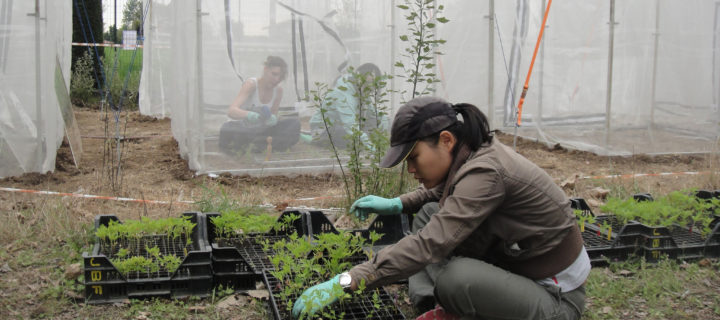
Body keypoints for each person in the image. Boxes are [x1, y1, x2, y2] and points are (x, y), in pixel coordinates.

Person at [292, 96, 589, 320]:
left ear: (445, 140)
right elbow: (441, 192)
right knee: (428, 213)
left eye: (413, 157)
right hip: (520, 268)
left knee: (457, 278)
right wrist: (398, 204)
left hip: (555, 297)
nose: (410, 169)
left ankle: (449, 303)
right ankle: (430, 304)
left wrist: (346, 280)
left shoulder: (487, 172)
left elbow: (431, 243)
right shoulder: (472, 153)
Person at [219, 56, 300, 155]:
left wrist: (273, 119)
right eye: (274, 74)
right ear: (265, 70)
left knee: (294, 124)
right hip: (243, 127)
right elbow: (231, 111)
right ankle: (266, 146)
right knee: (236, 131)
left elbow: (274, 116)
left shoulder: (278, 91)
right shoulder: (251, 84)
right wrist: (249, 115)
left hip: (261, 130)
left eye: (280, 77)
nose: (277, 79)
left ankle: (257, 146)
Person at [304, 63, 389, 149]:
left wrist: (383, 123)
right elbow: (350, 125)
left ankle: (362, 140)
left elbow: (373, 114)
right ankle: (321, 140)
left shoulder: (363, 91)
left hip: (346, 125)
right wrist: (372, 148)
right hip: (324, 128)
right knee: (345, 135)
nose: (371, 89)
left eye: (373, 84)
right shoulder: (343, 92)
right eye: (369, 83)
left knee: (383, 122)